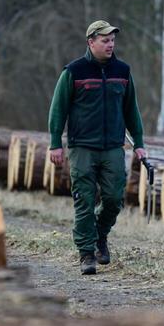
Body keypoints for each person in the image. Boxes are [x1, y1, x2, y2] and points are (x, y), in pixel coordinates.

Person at [48, 20, 146, 275]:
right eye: (105, 40)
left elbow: (131, 110)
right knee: (84, 201)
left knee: (114, 198)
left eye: (112, 40)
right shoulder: (74, 71)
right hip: (82, 147)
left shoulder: (123, 71)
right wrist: (55, 143)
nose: (110, 44)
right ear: (91, 42)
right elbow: (58, 110)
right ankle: (86, 254)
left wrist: (140, 143)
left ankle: (100, 235)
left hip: (113, 146)